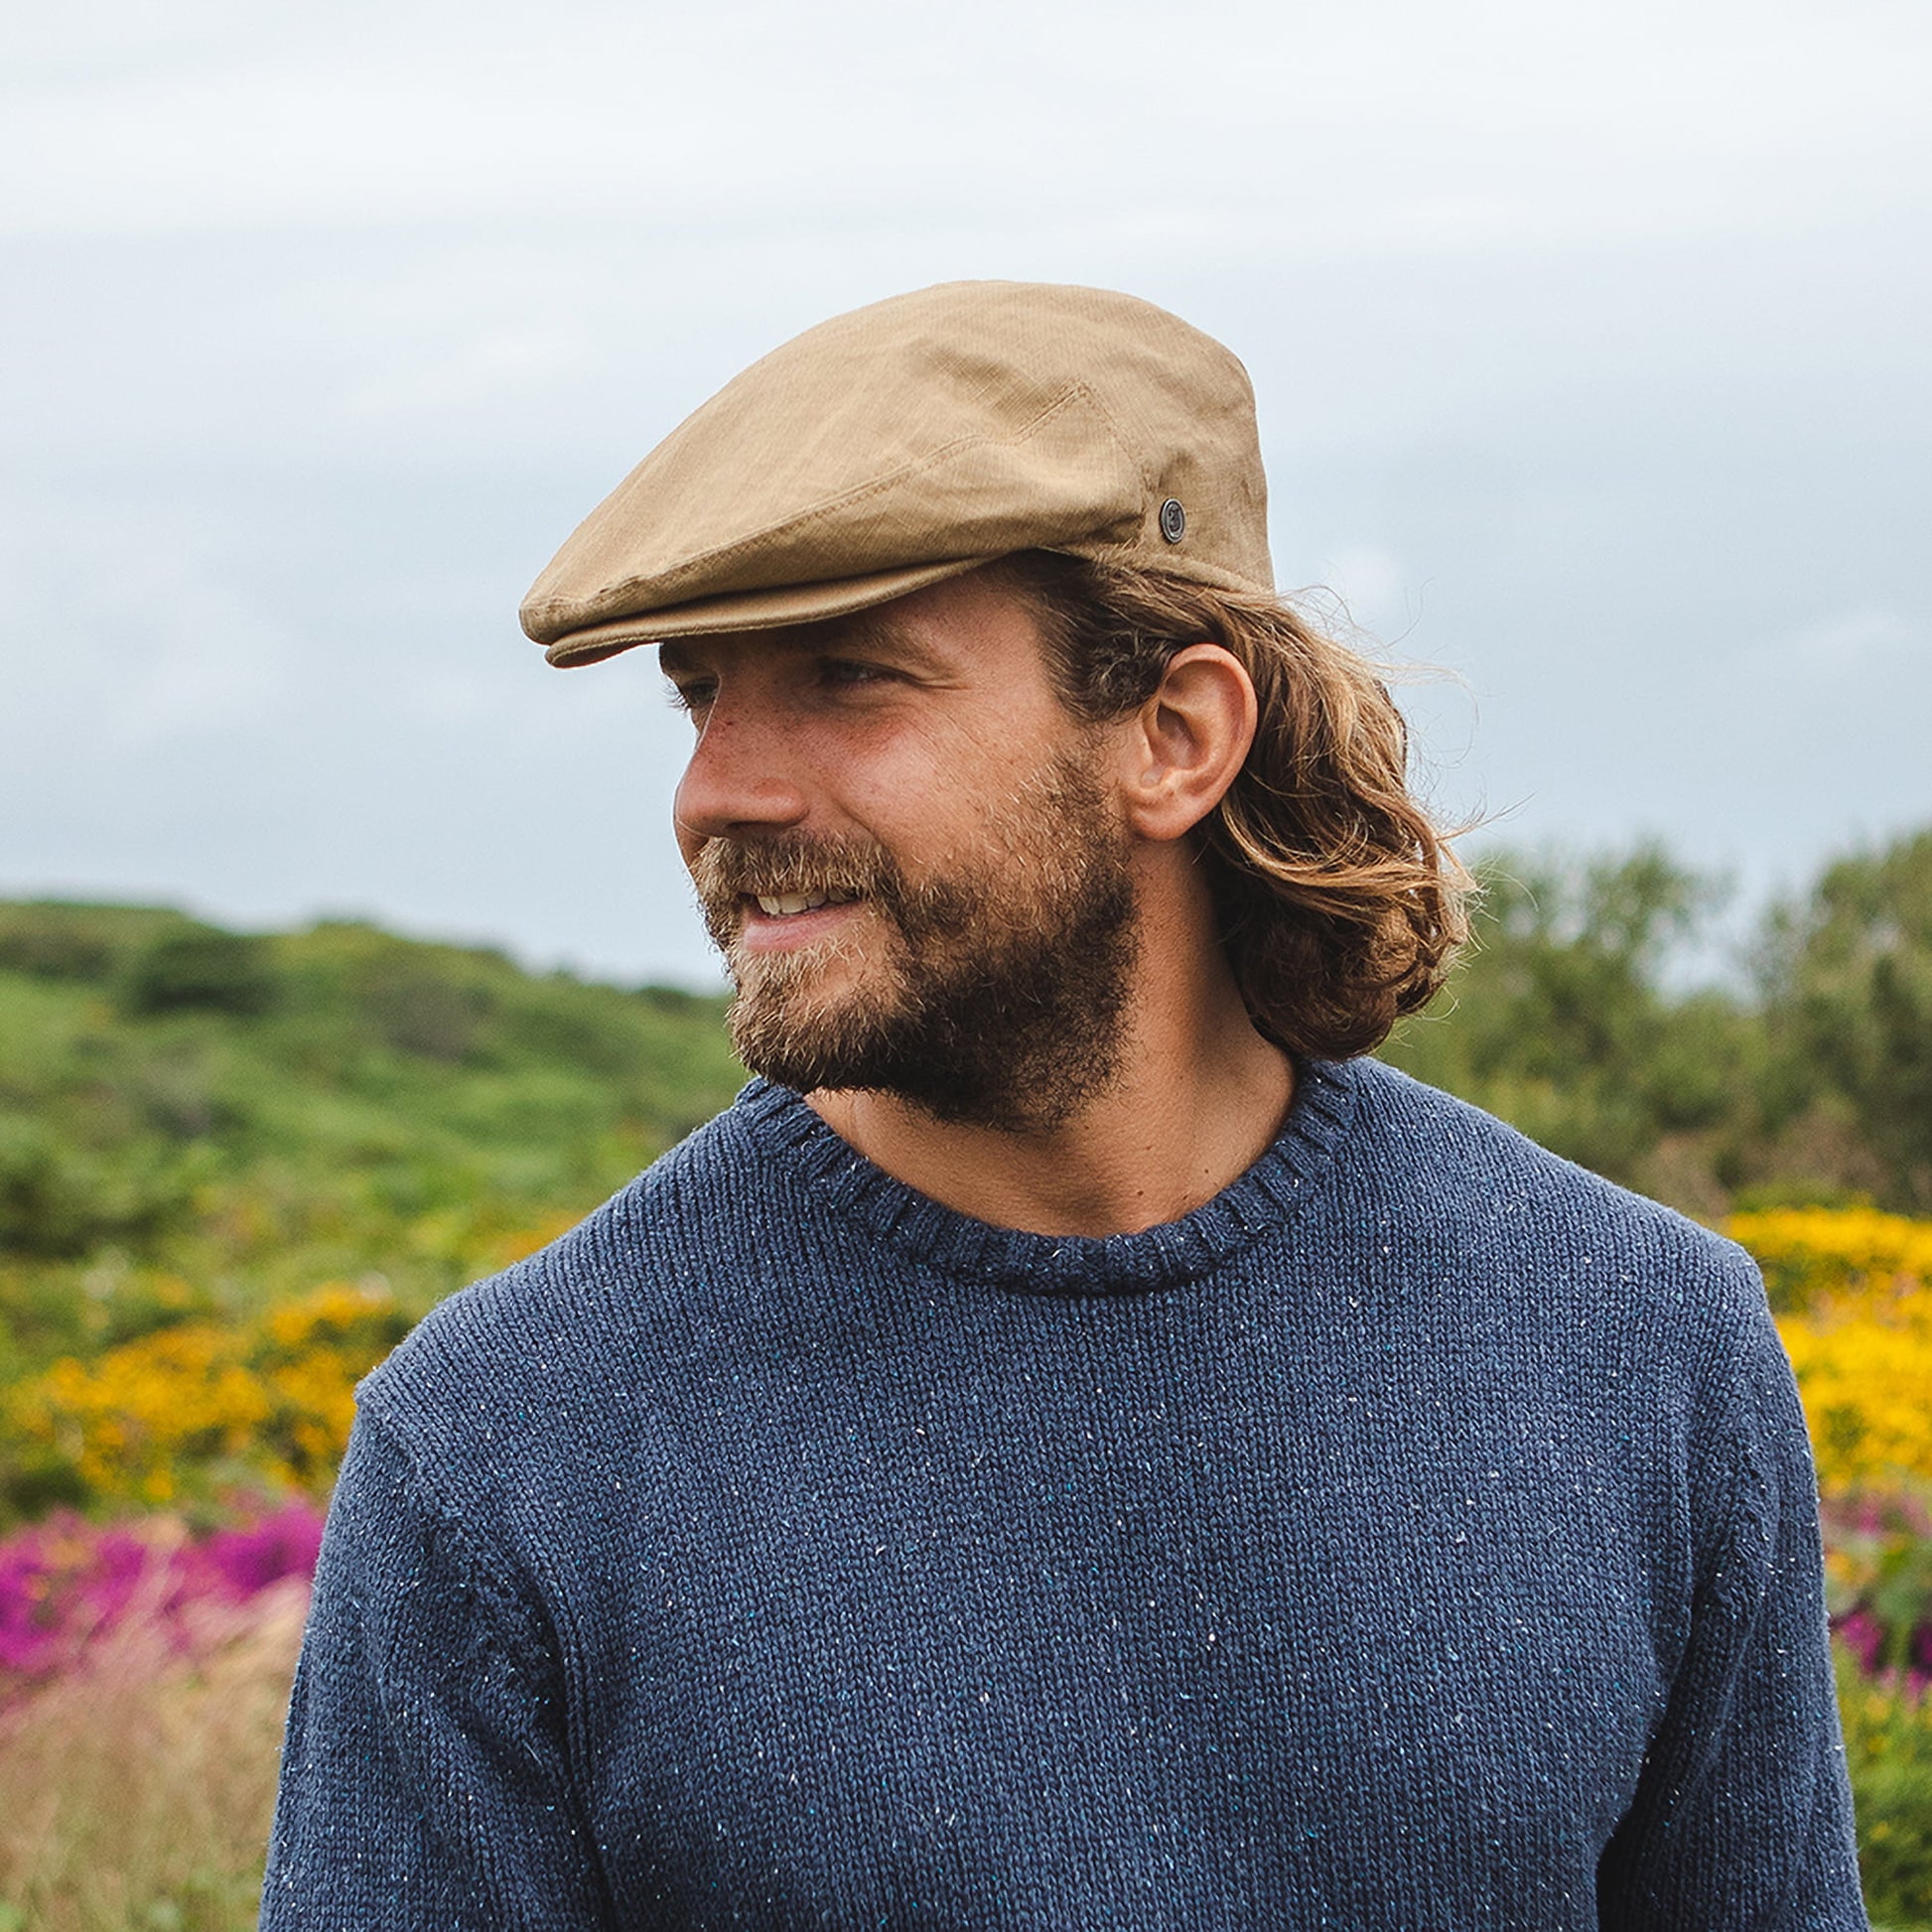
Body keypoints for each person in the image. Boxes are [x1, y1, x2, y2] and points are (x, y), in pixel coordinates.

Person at [261, 282, 1866, 1928]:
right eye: (699, 693)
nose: (717, 790)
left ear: (1173, 734)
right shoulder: (505, 1448)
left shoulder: (1639, 1346)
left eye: (849, 677)